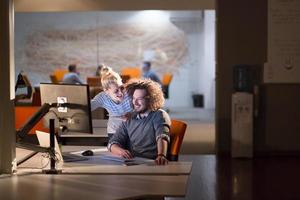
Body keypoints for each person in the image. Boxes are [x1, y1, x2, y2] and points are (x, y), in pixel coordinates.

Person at [108, 79, 170, 165]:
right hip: (131, 162)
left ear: (151, 99)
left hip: (151, 164)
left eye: (139, 99)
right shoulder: (130, 117)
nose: (135, 103)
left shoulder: (159, 115)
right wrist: (120, 151)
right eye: (134, 98)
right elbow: (112, 143)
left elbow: (162, 137)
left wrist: (161, 155)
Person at [91, 67, 133, 139]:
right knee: (116, 148)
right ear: (106, 91)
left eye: (122, 88)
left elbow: (143, 108)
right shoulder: (102, 97)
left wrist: (132, 114)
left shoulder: (129, 93)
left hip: (132, 128)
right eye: (116, 91)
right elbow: (89, 106)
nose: (120, 93)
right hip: (114, 130)